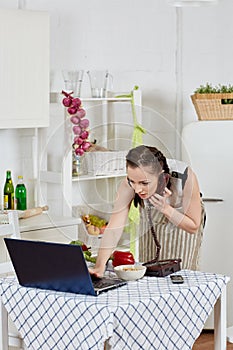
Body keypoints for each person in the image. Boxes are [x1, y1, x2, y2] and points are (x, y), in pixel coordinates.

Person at [89, 145, 206, 277]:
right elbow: (114, 228)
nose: (137, 189)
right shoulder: (129, 184)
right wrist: (99, 266)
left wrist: (165, 209)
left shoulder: (185, 177)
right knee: (150, 273)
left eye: (144, 183)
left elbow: (193, 226)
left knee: (180, 279)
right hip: (151, 233)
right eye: (132, 181)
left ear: (163, 177)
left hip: (183, 234)